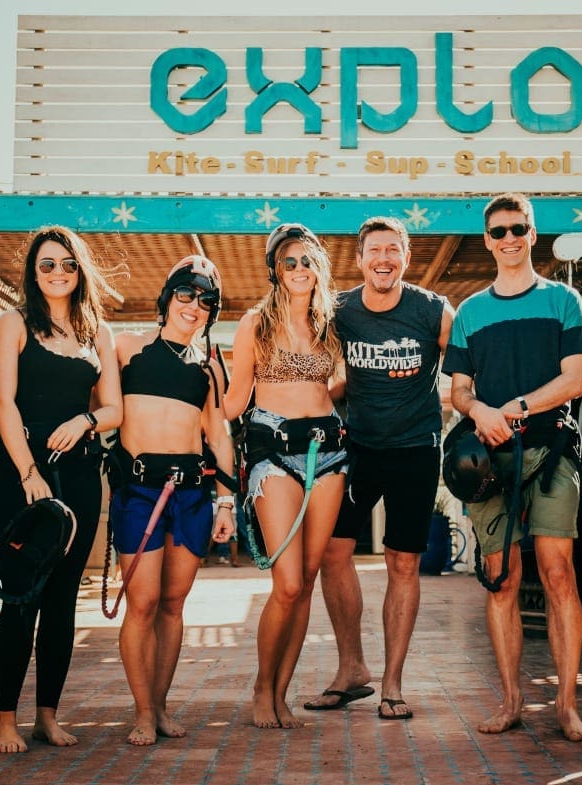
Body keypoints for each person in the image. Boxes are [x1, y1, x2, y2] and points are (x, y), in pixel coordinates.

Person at [444, 192, 582, 742]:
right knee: (501, 580)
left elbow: (575, 379)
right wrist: (479, 409)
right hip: (489, 461)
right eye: (499, 231)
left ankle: (566, 705)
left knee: (559, 575)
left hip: (551, 453)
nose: (509, 239)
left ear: (533, 235)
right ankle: (510, 700)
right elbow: (459, 390)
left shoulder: (564, 301)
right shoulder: (469, 311)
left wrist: (520, 407)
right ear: (487, 241)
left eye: (518, 229)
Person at [306, 216, 453, 720]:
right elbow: (320, 369)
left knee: (403, 563)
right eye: (375, 250)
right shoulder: (340, 311)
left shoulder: (433, 310)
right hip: (359, 449)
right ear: (360, 259)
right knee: (331, 551)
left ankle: (392, 685)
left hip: (416, 449)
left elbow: (467, 370)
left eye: (393, 249)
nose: (384, 258)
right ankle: (352, 670)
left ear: (406, 258)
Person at [0, 226, 122, 754]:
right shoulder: (14, 322)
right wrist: (27, 473)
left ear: (80, 269)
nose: (58, 273)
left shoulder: (98, 333)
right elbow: (4, 402)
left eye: (67, 264)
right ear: (32, 272)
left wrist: (86, 420)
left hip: (80, 476)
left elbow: (114, 408)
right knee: (22, 598)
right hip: (23, 476)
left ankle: (47, 717)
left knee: (63, 601)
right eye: (47, 265)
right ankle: (4, 721)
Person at [224, 223, 347, 729]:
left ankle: (281, 694)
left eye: (307, 261)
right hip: (273, 457)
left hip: (329, 455)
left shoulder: (332, 325)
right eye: (289, 261)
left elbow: (338, 386)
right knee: (289, 584)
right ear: (276, 269)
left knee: (309, 581)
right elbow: (233, 400)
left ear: (319, 268)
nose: (299, 269)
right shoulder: (255, 322)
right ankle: (260, 688)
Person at [110, 255, 236, 745]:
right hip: (139, 491)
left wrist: (226, 502)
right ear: (166, 298)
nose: (195, 305)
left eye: (207, 300)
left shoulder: (209, 366)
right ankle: (141, 712)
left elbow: (219, 435)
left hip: (190, 494)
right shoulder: (125, 349)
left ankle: (160, 706)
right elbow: (96, 403)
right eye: (186, 293)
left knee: (173, 604)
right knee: (140, 603)